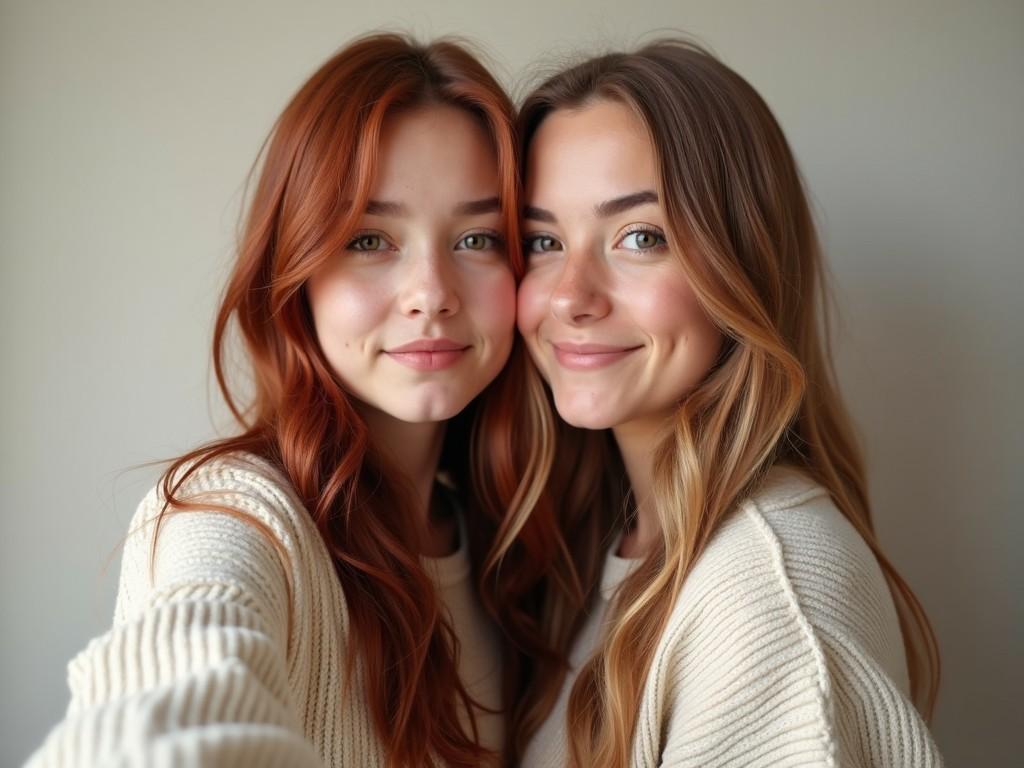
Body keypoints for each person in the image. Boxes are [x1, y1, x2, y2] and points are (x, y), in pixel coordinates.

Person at [27, 33, 536, 768]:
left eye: (479, 238)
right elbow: (165, 710)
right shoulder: (232, 512)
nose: (431, 293)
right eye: (369, 239)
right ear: (296, 270)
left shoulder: (506, 550)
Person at [508, 40, 945, 767]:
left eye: (639, 237)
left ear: (743, 262)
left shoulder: (771, 602)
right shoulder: (603, 545)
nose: (570, 297)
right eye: (543, 240)